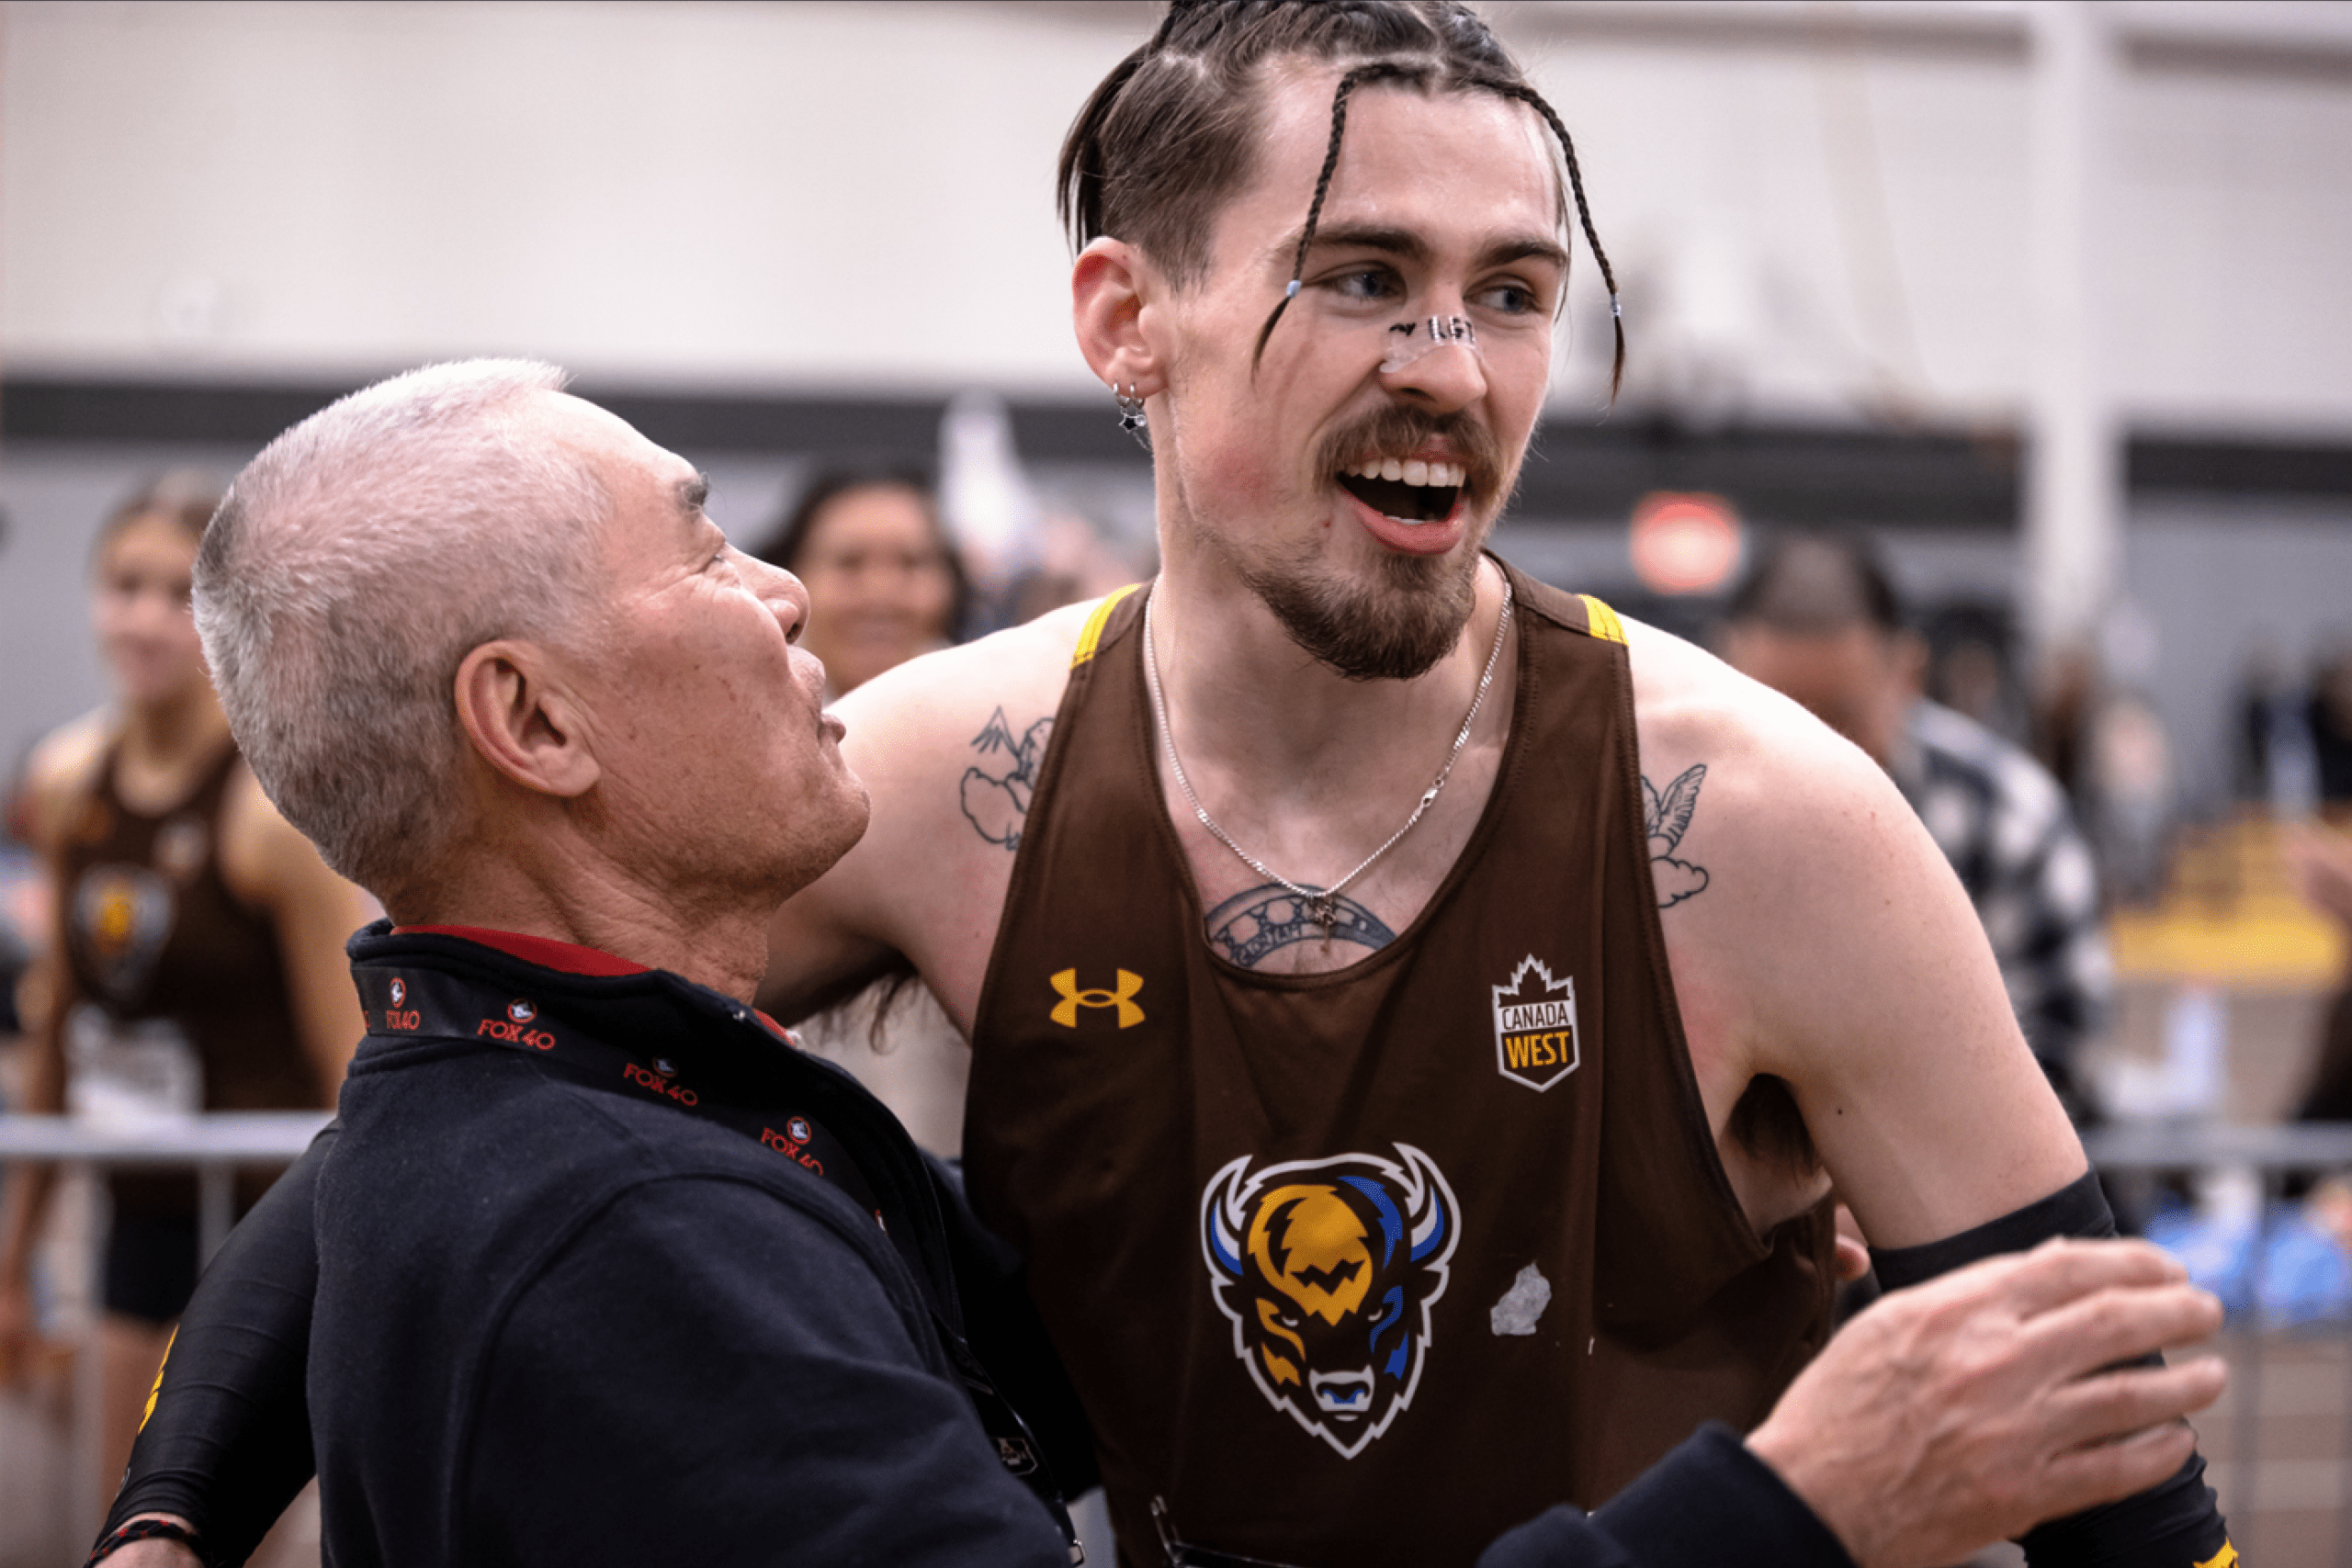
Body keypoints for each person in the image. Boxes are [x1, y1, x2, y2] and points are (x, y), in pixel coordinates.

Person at [112, 5, 2233, 1563]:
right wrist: (173, 1499)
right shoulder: (937, 778)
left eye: (1510, 294)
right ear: (1124, 319)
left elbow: (2122, 1458)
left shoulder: (1760, 823)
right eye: (1359, 274)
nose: (1451, 367)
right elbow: (487, 1084)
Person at [0, 471, 368, 1504]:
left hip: (262, 1217)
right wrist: (13, 1256)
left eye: (180, 592)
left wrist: (357, 1269)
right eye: (124, 584)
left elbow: (349, 1059)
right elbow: (58, 1021)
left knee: (231, 1519)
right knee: (123, 1510)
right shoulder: (69, 779)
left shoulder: (269, 813)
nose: (146, 618)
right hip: (136, 1204)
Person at [1720, 530, 2113, 1127]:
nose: (1803, 753)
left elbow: (2061, 1068)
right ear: (1723, 670)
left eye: (1839, 719)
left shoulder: (2008, 822)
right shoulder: (1665, 817)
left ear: (1905, 672)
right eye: (1773, 713)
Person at [752, 468, 970, 698]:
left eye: (910, 563)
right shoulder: (733, 714)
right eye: (849, 563)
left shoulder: (992, 711)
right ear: (787, 575)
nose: (881, 591)